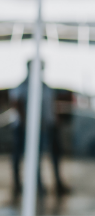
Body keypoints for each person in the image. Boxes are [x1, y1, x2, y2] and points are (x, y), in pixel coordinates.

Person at [10, 61, 68, 197]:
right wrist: (27, 123)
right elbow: (17, 104)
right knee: (24, 155)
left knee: (51, 154)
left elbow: (51, 105)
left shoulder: (44, 87)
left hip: (46, 125)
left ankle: (54, 183)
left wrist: (55, 120)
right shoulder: (23, 86)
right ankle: (26, 185)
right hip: (26, 127)